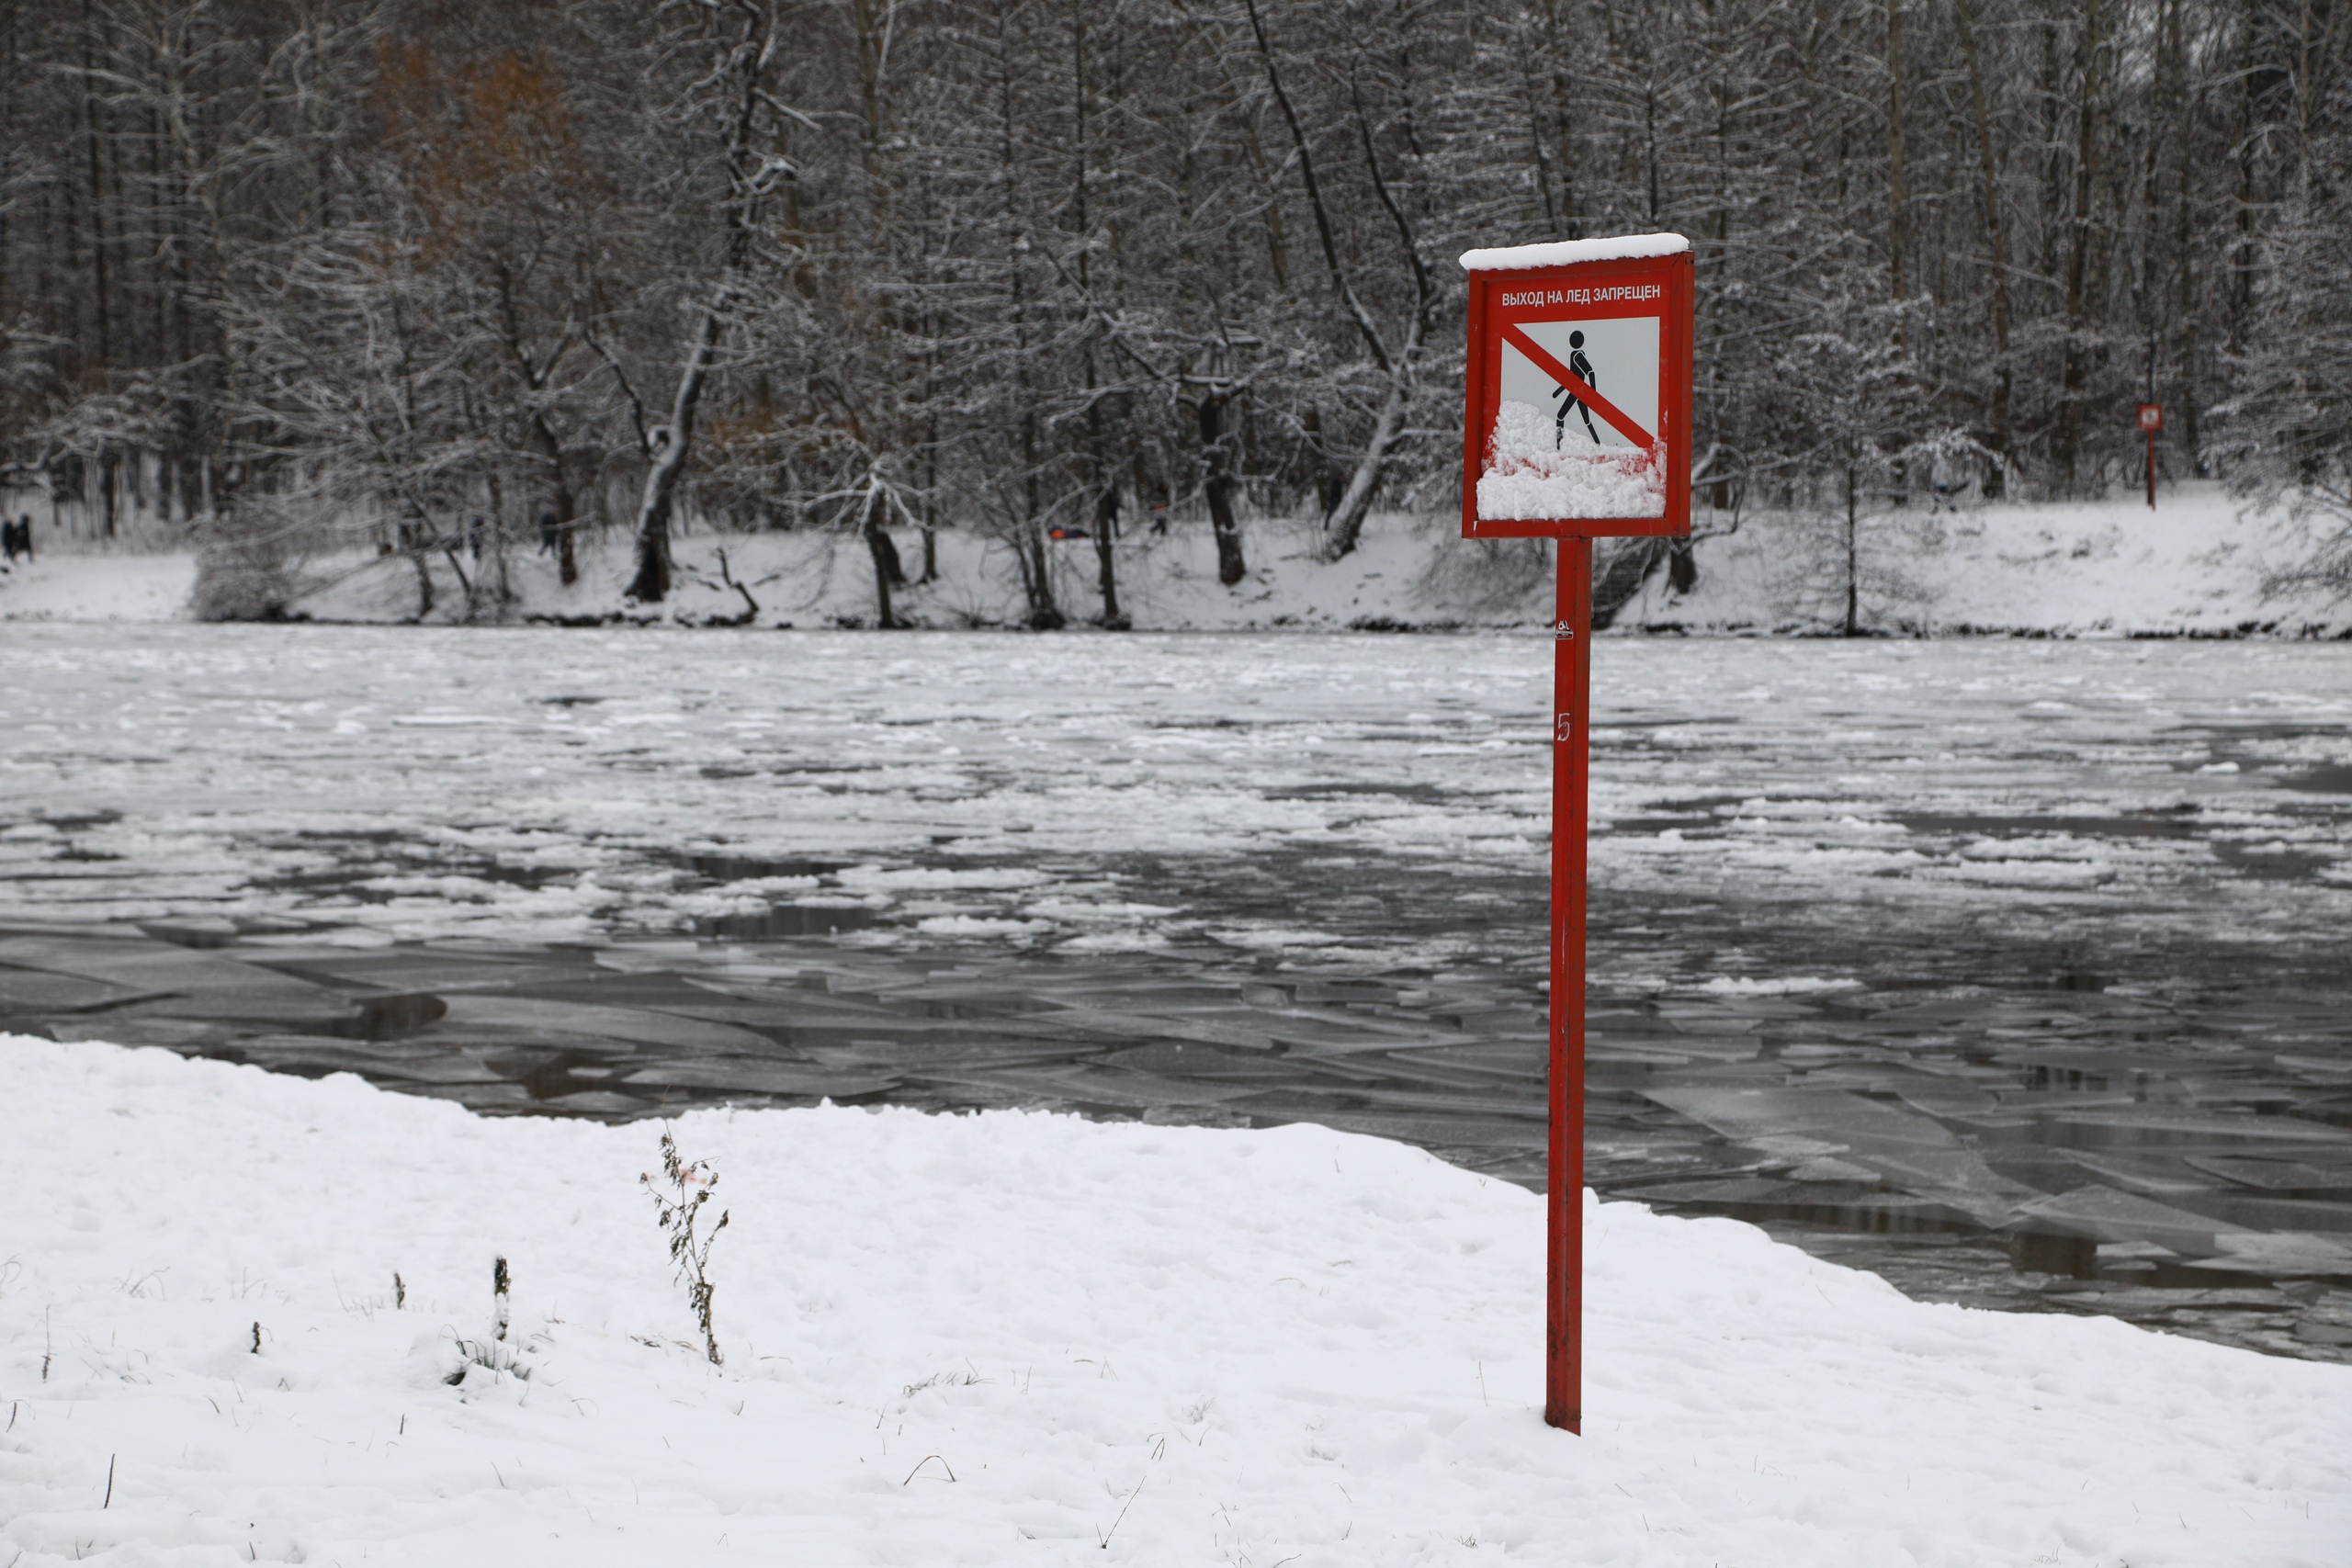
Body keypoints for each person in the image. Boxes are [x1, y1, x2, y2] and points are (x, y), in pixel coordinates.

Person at [1551, 330, 1600, 449]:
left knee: (1560, 416)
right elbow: (1572, 376)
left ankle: (1558, 445)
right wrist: (1559, 390)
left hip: (1578, 391)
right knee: (1587, 420)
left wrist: (1593, 392)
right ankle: (1597, 442)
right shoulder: (1575, 355)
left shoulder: (1577, 355)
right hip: (1577, 390)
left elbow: (1590, 371)